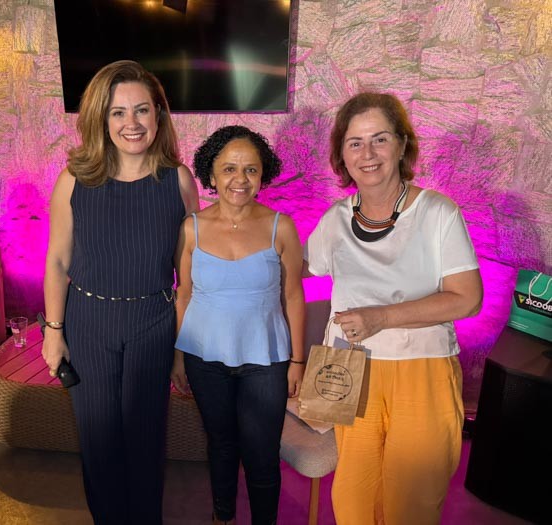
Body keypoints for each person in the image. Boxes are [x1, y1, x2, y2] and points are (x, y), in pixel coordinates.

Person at [303, 92, 483, 524]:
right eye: (355, 143)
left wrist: (380, 317)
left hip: (421, 372)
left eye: (380, 139)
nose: (367, 154)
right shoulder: (335, 219)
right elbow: (298, 270)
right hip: (350, 369)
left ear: (402, 144)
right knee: (354, 496)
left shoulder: (437, 213)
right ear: (342, 155)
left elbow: (468, 297)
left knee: (412, 501)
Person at [42, 60, 199, 524]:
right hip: (88, 322)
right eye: (118, 112)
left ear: (158, 115)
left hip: (153, 323)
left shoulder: (178, 180)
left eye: (142, 110)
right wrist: (53, 331)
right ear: (101, 118)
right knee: (99, 441)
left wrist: (183, 347)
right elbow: (57, 261)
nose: (132, 123)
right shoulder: (74, 179)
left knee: (146, 440)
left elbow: (188, 276)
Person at [172, 125, 305, 525]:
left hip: (266, 360)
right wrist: (177, 357)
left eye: (250, 169)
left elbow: (293, 296)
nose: (240, 179)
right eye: (229, 169)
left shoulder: (282, 226)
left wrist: (297, 361)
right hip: (203, 357)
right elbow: (183, 295)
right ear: (211, 176)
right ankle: (223, 516)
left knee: (262, 454)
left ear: (263, 175)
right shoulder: (191, 228)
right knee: (221, 444)